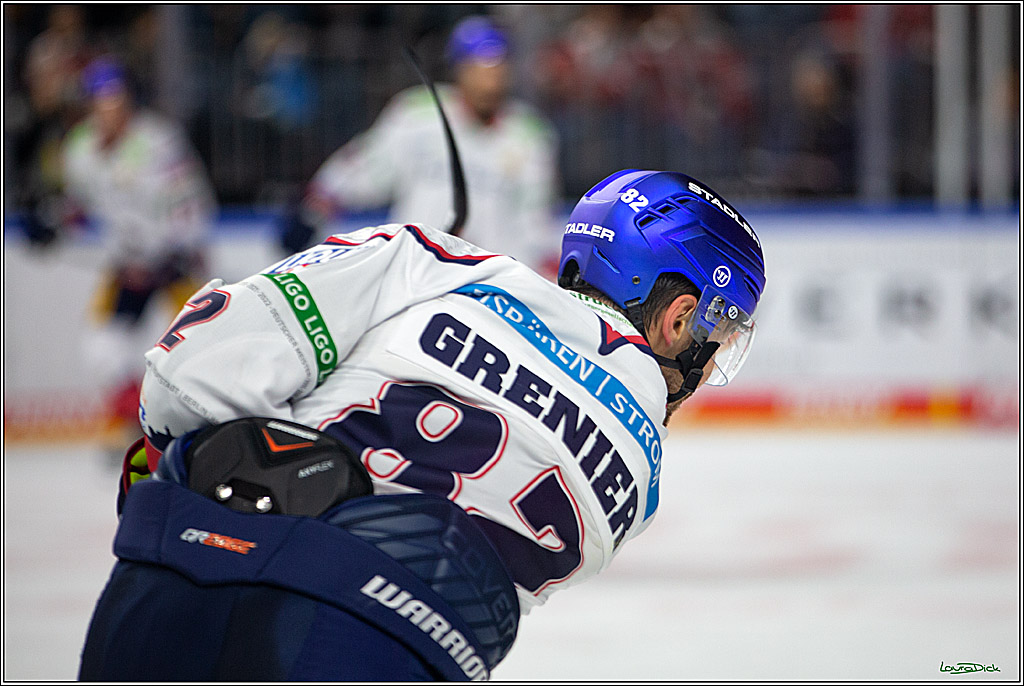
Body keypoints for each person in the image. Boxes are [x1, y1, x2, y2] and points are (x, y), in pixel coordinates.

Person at [80, 169, 766, 681]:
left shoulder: (439, 264)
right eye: (723, 331)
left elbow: (189, 363)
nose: (713, 366)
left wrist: (179, 459)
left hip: (181, 578)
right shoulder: (639, 481)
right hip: (379, 651)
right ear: (680, 319)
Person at [280, 15, 562, 276]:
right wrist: (316, 204)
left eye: (498, 67)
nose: (489, 79)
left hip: (491, 281)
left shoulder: (529, 134)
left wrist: (550, 270)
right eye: (478, 67)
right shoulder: (418, 112)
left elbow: (534, 218)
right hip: (415, 269)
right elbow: (368, 168)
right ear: (458, 68)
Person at [60, 55, 217, 450]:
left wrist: (172, 253)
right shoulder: (79, 147)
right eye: (100, 98)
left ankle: (204, 430)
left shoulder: (158, 141)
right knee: (102, 348)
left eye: (115, 98)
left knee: (198, 349)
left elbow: (190, 203)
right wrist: (54, 221)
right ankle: (141, 425)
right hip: (124, 267)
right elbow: (81, 205)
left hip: (173, 265)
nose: (108, 108)